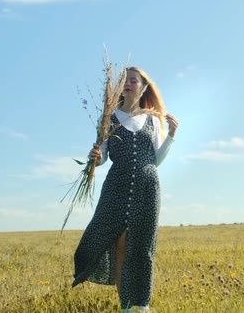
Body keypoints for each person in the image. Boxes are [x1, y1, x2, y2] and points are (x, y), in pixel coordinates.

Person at [72, 67, 179, 312]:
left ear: (143, 87)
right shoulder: (109, 117)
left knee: (142, 246)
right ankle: (126, 306)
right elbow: (103, 158)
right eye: (125, 81)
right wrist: (94, 158)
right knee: (119, 242)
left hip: (147, 187)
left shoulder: (152, 118)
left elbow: (157, 159)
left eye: (134, 80)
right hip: (116, 186)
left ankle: (142, 306)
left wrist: (171, 135)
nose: (128, 84)